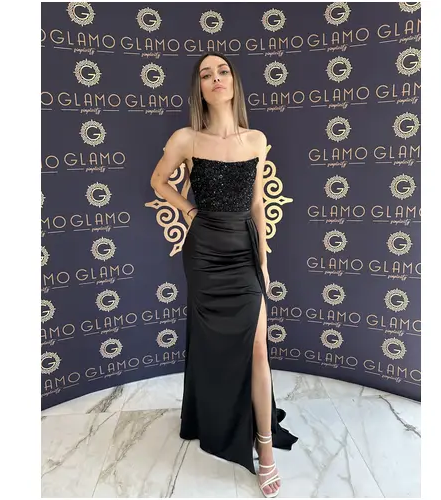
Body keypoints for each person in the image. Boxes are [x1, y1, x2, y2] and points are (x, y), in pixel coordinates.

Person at [150, 51, 298, 498]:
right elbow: (158, 181)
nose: (216, 78)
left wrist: (264, 259)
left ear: (233, 82)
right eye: (206, 74)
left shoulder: (256, 139)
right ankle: (214, 418)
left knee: (258, 347)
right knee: (213, 342)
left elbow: (257, 203)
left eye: (223, 71)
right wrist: (189, 209)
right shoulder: (186, 138)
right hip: (205, 253)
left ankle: (264, 448)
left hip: (243, 250)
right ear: (199, 87)